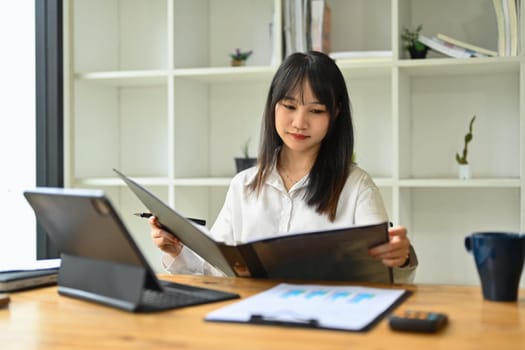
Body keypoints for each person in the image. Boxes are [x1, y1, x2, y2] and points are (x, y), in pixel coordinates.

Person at [150, 51, 417, 283]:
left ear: (335, 113)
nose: (299, 122)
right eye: (289, 106)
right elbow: (217, 271)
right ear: (273, 107)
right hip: (252, 324)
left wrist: (400, 256)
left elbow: (383, 275)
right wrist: (176, 250)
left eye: (315, 111)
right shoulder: (243, 185)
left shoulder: (356, 186)